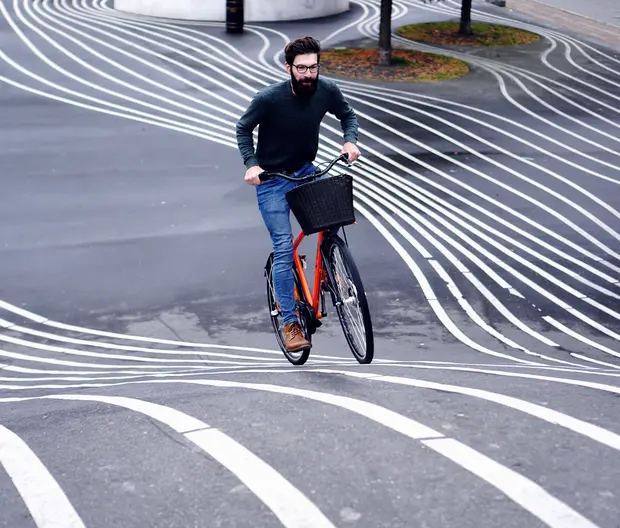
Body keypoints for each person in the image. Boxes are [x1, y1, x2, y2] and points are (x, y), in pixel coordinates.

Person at [236, 35, 360, 353]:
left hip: (306, 171)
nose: (308, 74)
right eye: (301, 68)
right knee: (282, 248)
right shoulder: (269, 99)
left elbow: (347, 115)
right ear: (288, 67)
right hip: (273, 180)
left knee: (336, 211)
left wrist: (350, 140)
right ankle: (291, 324)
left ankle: (332, 268)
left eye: (313, 67)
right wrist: (251, 164)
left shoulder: (326, 90)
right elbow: (243, 128)